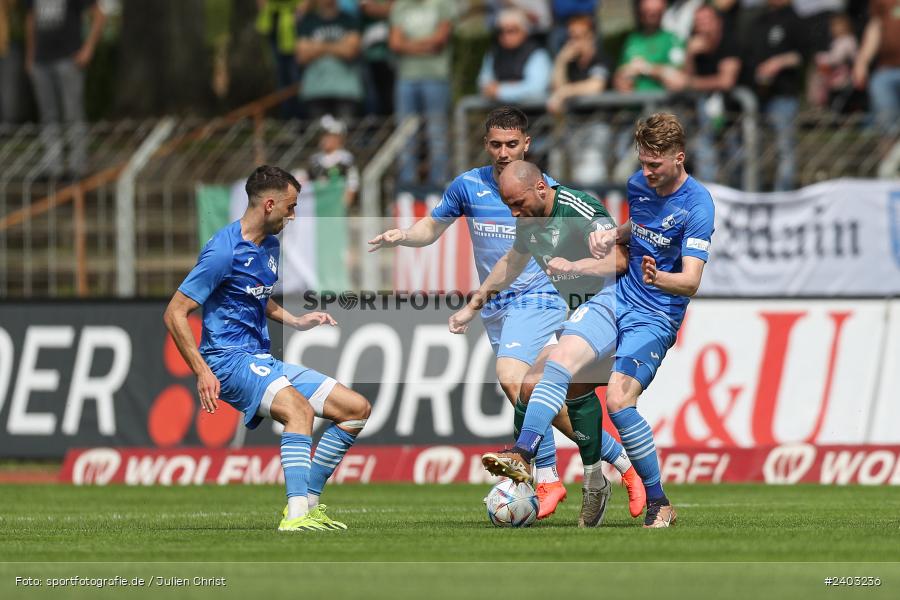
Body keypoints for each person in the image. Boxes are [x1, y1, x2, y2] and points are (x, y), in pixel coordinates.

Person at [369, 107, 643, 520]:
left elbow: (607, 252)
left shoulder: (542, 191)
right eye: (496, 144)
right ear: (485, 144)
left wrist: (581, 269)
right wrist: (406, 236)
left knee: (512, 376)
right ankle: (621, 465)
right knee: (537, 395)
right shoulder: (469, 186)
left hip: (538, 296)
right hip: (498, 305)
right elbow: (437, 230)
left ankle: (545, 477)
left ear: (526, 145)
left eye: (511, 144)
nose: (503, 152)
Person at [164, 166, 371, 532]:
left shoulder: (270, 246)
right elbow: (175, 312)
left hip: (260, 358)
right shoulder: (223, 251)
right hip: (226, 360)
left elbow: (256, 296)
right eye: (291, 207)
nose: (293, 216)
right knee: (298, 411)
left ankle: (309, 505)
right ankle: (296, 515)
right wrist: (201, 370)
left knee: (355, 409)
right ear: (270, 205)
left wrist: (295, 321)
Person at [450, 159, 645, 527]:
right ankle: (609, 474)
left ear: (541, 188)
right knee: (531, 387)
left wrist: (575, 267)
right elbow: (512, 263)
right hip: (581, 315)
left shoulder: (578, 209)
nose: (514, 213)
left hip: (615, 310)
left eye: (518, 203)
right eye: (508, 206)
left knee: (550, 376)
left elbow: (620, 260)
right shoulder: (529, 221)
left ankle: (530, 460)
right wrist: (473, 306)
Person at [589, 113, 715, 528]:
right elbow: (641, 224)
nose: (646, 172)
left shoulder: (698, 205)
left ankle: (658, 501)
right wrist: (614, 235)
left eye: (654, 164)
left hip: (657, 314)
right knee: (555, 372)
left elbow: (691, 281)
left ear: (679, 157)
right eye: (642, 162)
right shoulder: (638, 184)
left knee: (618, 400)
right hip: (619, 295)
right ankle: (559, 475)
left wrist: (657, 277)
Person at [24, 0, 106, 177]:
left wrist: (88, 49)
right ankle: (53, 165)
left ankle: (78, 165)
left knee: (73, 113)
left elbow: (99, 15)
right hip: (41, 62)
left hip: (69, 60)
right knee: (48, 116)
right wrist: (30, 56)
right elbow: (31, 19)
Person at [389, 0, 455, 190]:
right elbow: (395, 43)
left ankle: (439, 183)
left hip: (436, 77)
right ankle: (407, 183)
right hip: (406, 78)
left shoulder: (442, 4)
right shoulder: (400, 6)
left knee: (437, 131)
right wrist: (426, 46)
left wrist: (408, 45)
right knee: (405, 133)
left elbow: (440, 39)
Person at [295, 0, 363, 121]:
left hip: (346, 90)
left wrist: (317, 47)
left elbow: (350, 51)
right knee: (320, 132)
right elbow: (301, 56)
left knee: (345, 130)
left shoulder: (349, 20)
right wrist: (338, 46)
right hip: (315, 90)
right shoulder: (307, 21)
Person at [478, 8, 552, 104]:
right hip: (500, 111)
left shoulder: (537, 53)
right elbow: (484, 84)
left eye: (511, 30)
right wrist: (514, 86)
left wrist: (502, 90)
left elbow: (537, 88)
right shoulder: (494, 53)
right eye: (500, 31)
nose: (505, 35)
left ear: (524, 31)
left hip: (532, 111)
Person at [853, 0, 900, 134]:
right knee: (886, 119)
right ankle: (889, 145)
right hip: (886, 69)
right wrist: (861, 62)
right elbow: (875, 29)